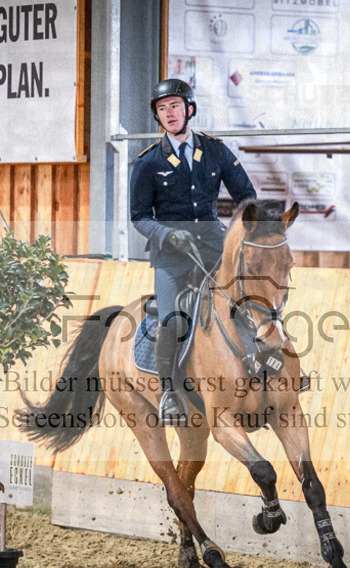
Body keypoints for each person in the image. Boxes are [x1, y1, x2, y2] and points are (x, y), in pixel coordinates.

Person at [130, 78, 256, 424]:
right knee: (171, 320)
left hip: (213, 246)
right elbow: (138, 216)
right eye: (161, 108)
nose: (168, 113)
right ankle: (170, 393)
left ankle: (272, 366)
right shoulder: (147, 162)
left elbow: (247, 196)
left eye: (174, 106)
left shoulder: (215, 151)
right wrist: (167, 235)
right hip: (171, 255)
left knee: (253, 299)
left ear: (189, 109)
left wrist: (240, 235)